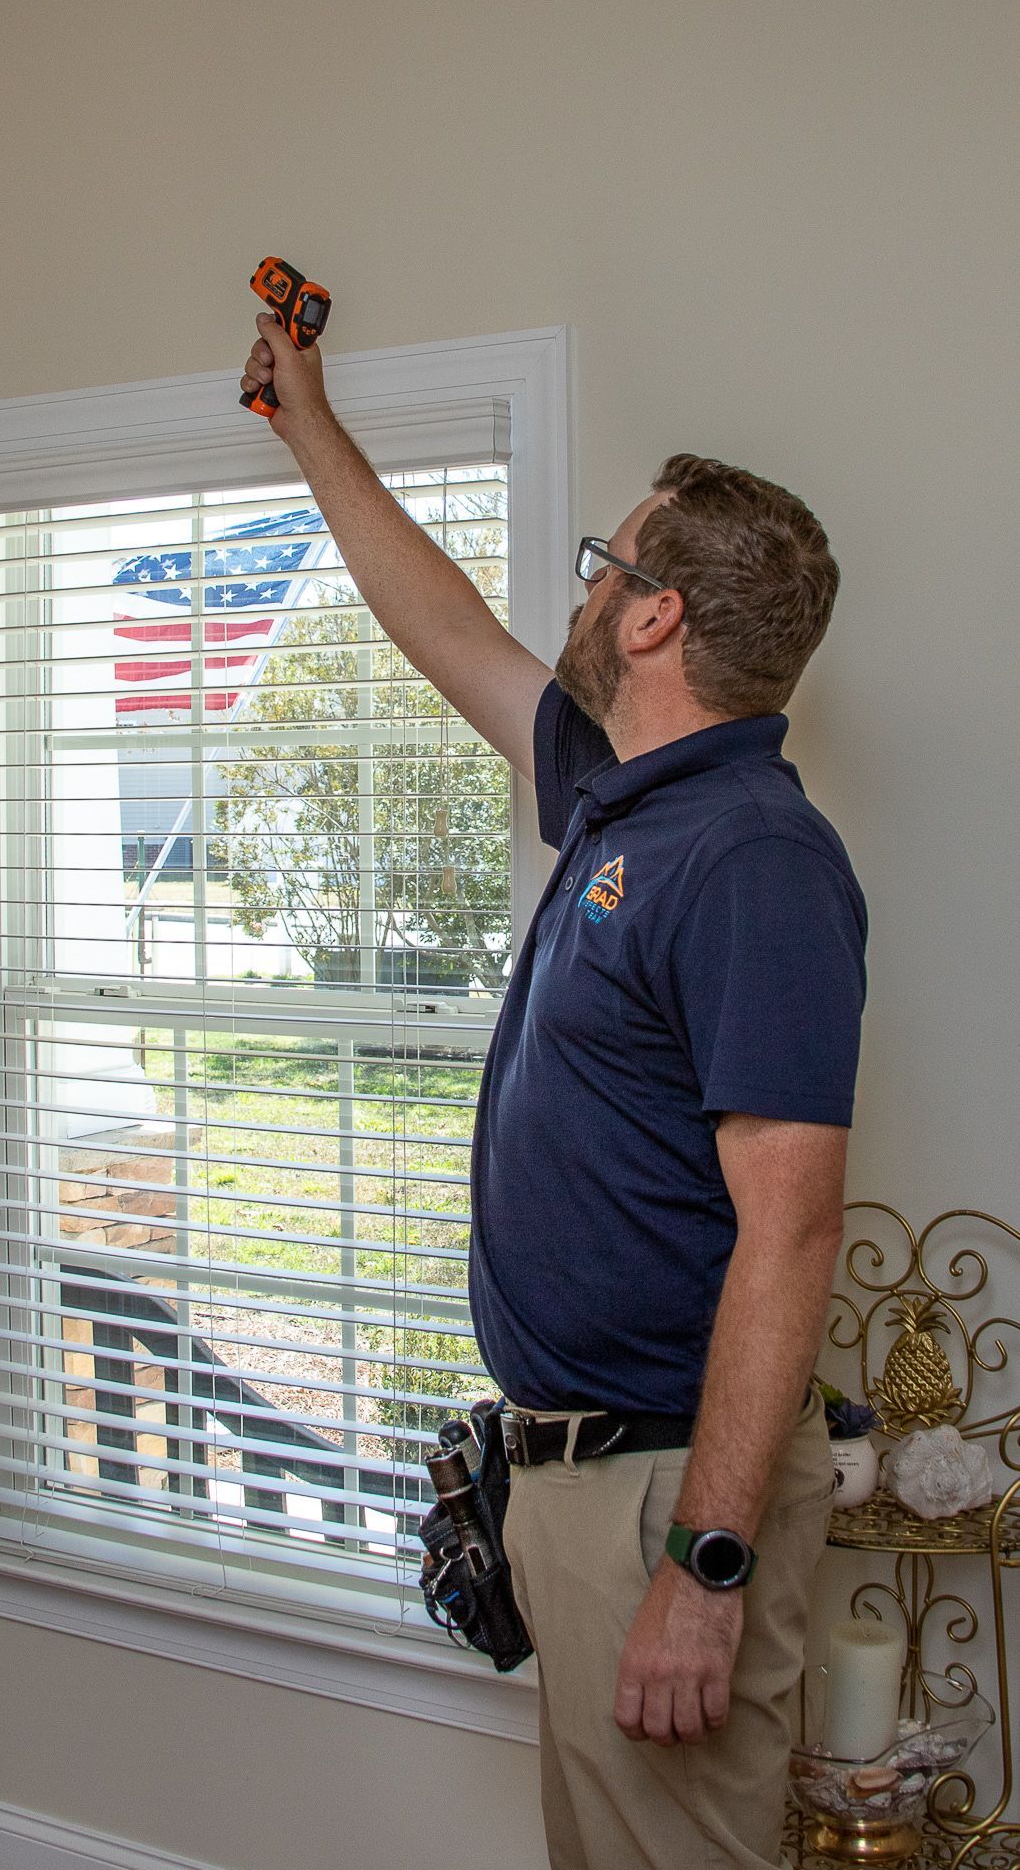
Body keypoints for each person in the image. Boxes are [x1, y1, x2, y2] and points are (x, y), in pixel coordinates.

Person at [240, 313, 866, 1870]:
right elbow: (447, 633)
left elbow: (792, 1231)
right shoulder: (628, 801)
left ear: (655, 616)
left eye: (604, 564)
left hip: (668, 1491)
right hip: (585, 1481)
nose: (581, 590)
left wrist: (707, 1568)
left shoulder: (752, 859)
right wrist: (307, 424)